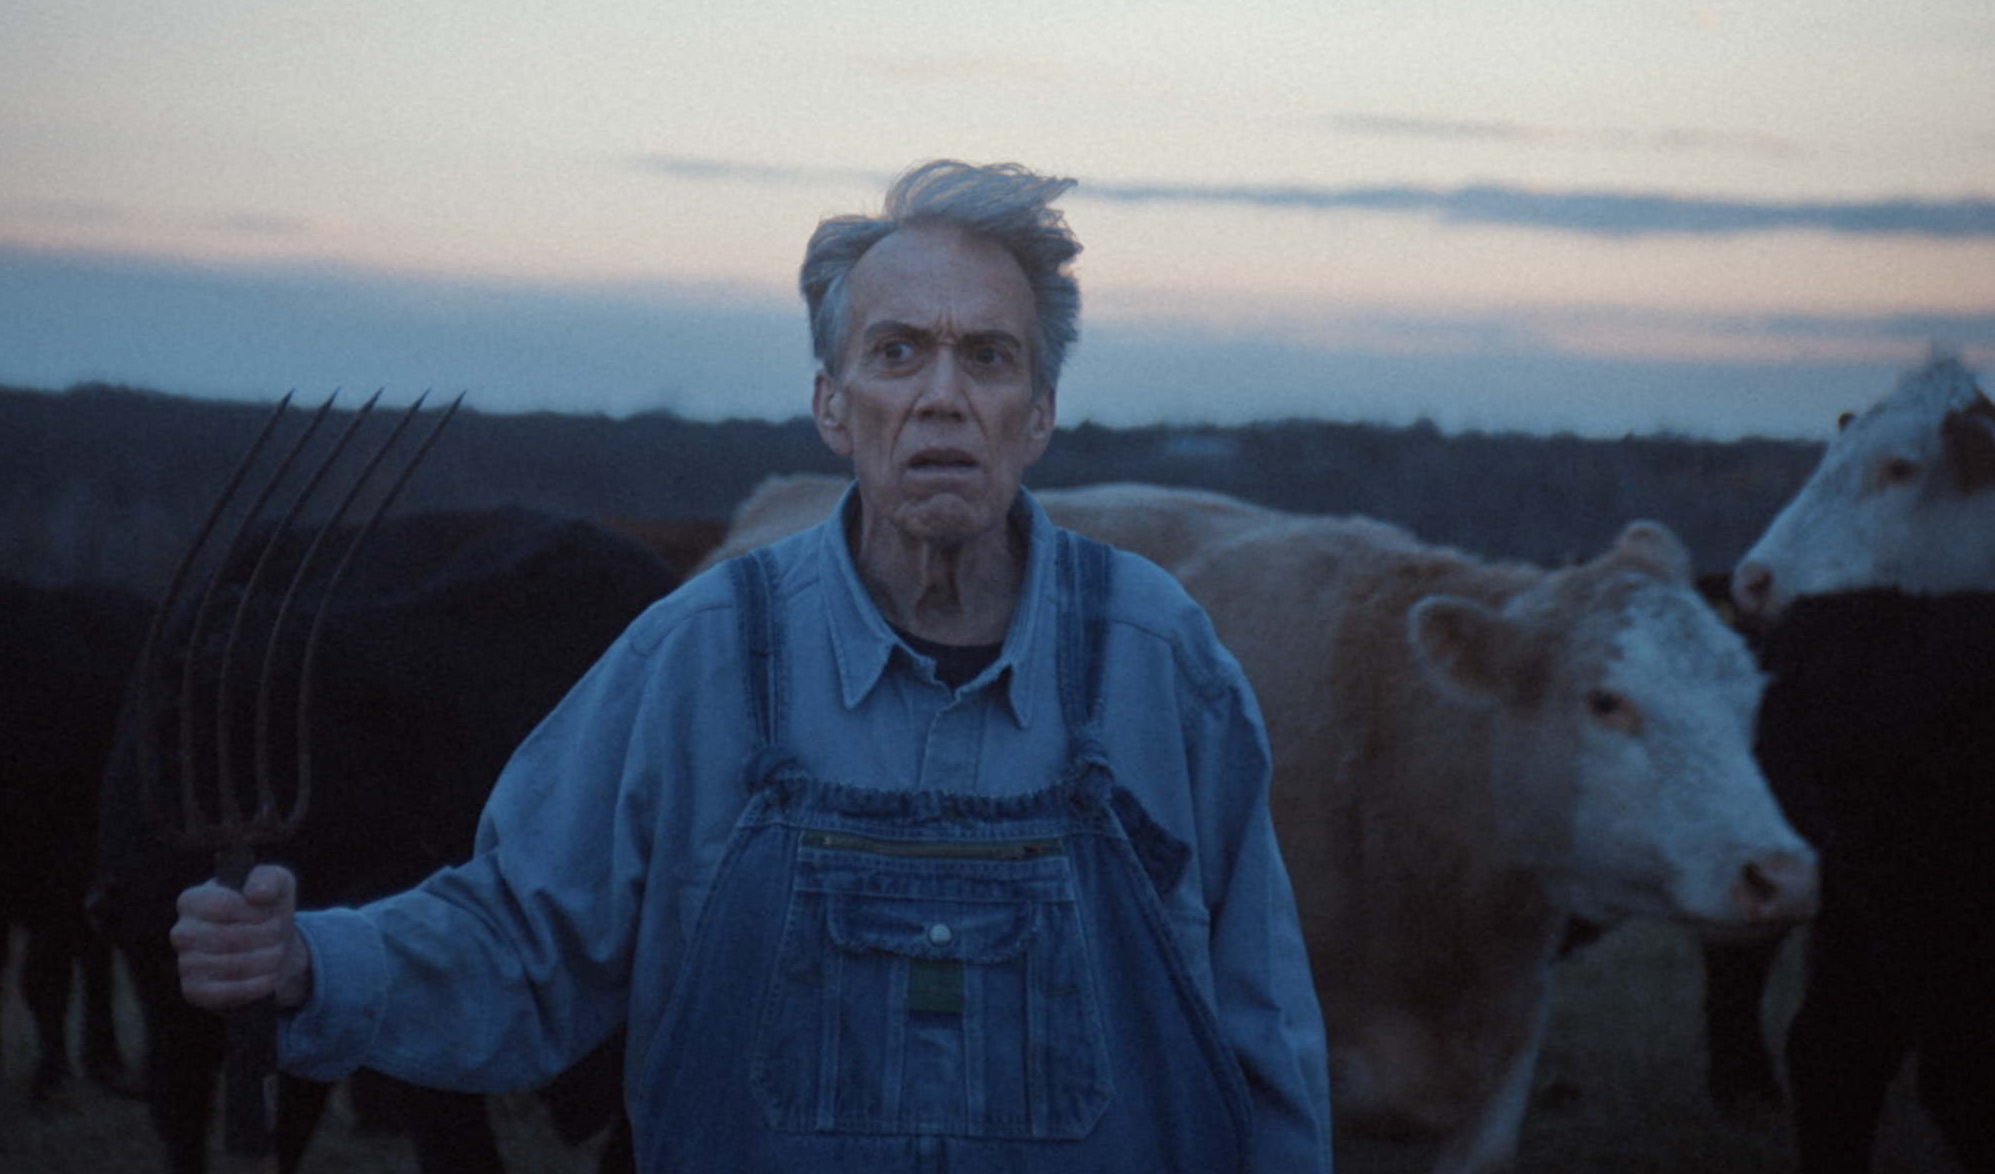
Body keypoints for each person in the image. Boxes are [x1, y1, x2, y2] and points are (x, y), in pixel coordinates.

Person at [172, 159, 1333, 1171]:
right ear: (834, 405)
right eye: (897, 353)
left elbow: (1264, 1025)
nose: (942, 394)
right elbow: (524, 940)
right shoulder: (702, 656)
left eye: (988, 356)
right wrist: (309, 959)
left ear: (1037, 412)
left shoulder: (1155, 659)